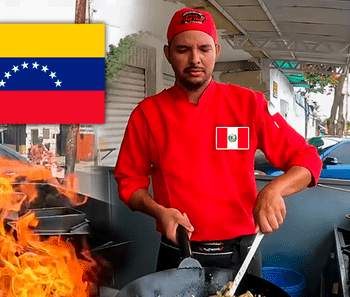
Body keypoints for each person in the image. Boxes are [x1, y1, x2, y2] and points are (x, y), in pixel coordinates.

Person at [114, 8, 322, 276]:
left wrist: (274, 190)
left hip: (241, 253)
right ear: (167, 53)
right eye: (182, 50)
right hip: (178, 251)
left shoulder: (250, 104)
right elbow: (130, 183)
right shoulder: (147, 114)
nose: (195, 59)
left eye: (204, 49)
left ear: (217, 51)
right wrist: (159, 211)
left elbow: (307, 159)